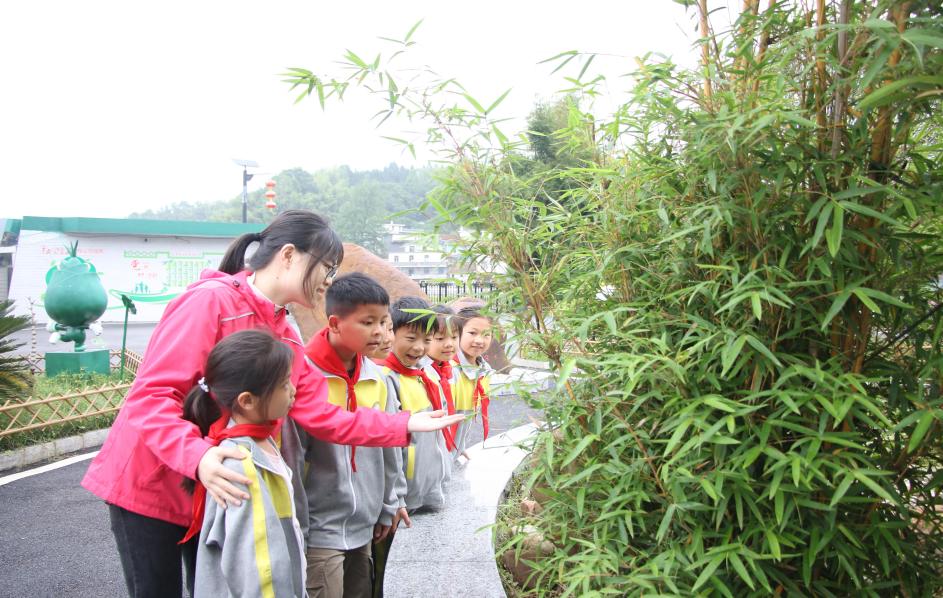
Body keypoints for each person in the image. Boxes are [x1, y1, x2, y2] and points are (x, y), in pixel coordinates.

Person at [81, 210, 464, 597]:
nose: (328, 279)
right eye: (326, 267)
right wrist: (198, 457)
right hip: (152, 482)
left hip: (217, 485)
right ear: (289, 255)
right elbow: (152, 396)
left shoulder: (285, 331)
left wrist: (403, 424)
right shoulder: (210, 302)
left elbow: (323, 416)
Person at [296, 273, 409, 598]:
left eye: (384, 322)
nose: (380, 332)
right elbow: (293, 457)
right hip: (320, 529)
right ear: (334, 323)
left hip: (366, 524)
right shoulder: (304, 375)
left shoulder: (377, 377)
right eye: (367, 322)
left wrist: (389, 503)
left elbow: (389, 448)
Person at [179, 330, 306, 598]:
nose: (293, 390)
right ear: (247, 401)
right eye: (284, 384)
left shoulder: (260, 439)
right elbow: (260, 567)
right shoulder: (240, 463)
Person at [382, 296, 454, 512]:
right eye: (411, 338)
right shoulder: (387, 378)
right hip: (406, 498)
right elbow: (389, 449)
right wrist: (396, 499)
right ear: (391, 333)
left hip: (430, 490)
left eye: (427, 340)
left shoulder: (426, 373)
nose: (419, 347)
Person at [452, 306, 495, 459]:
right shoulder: (449, 370)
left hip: (454, 450)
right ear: (457, 333)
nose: (479, 340)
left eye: (486, 335)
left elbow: (467, 416)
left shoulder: (484, 371)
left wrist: (460, 445)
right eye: (472, 333)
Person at [423, 305, 459, 443]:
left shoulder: (453, 369)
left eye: (454, 337)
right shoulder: (421, 373)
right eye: (440, 338)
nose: (449, 344)